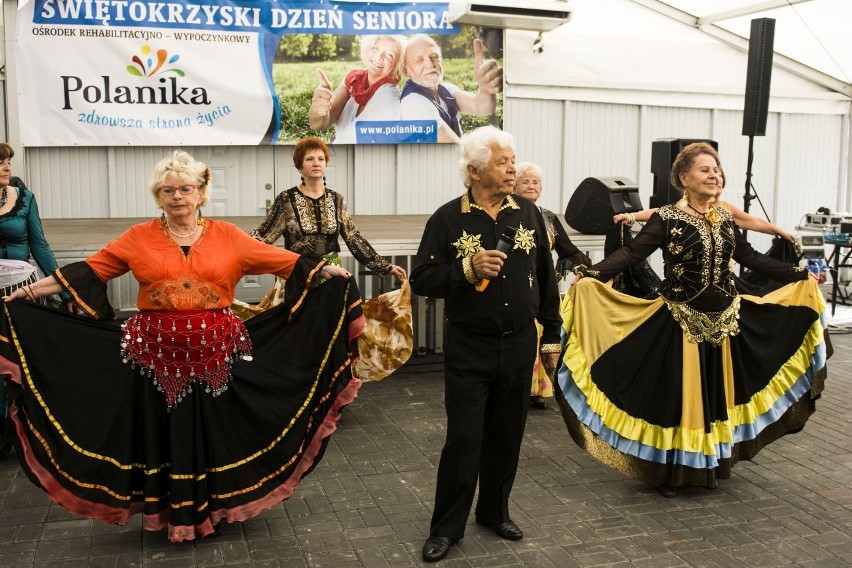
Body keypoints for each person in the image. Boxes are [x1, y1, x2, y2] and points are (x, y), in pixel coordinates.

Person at [0, 150, 362, 542]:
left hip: (216, 357)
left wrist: (325, 269)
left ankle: (216, 508)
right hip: (153, 360)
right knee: (162, 434)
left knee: (212, 434)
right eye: (167, 190)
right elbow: (90, 269)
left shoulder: (228, 236)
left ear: (201, 193)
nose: (177, 197)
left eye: (185, 189)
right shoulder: (138, 237)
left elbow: (283, 260)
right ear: (158, 197)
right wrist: (29, 291)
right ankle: (167, 512)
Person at [558, 142, 827, 499]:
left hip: (725, 323)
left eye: (717, 170)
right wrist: (591, 272)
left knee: (714, 397)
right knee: (678, 400)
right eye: (705, 170)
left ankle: (709, 463)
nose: (714, 175)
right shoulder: (667, 218)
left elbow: (748, 257)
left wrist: (797, 275)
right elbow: (633, 253)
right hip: (680, 323)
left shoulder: (724, 217)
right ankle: (670, 471)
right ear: (684, 178)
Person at [409, 126, 561, 562]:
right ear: (475, 171)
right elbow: (422, 278)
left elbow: (547, 280)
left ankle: (494, 513)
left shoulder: (528, 213)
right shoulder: (447, 218)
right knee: (464, 438)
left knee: (507, 435)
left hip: (518, 345)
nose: (512, 168)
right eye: (502, 162)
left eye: (513, 160)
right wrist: (467, 268)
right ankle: (446, 528)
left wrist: (550, 335)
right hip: (470, 347)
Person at [0, 142, 73, 458]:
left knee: (21, 361)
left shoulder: (25, 199)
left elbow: (40, 247)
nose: (7, 167)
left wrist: (66, 289)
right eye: (1, 162)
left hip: (21, 291)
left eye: (8, 162)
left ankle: (26, 431)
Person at [513, 161, 591, 410]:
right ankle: (520, 389)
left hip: (544, 291)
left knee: (544, 339)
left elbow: (568, 249)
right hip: (519, 291)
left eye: (535, 182)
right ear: (513, 187)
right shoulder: (510, 214)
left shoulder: (548, 217)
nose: (531, 186)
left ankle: (538, 391)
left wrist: (589, 271)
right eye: (525, 181)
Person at [613, 165, 796, 242]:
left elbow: (754, 222)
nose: (716, 181)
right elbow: (660, 212)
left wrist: (781, 232)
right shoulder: (685, 207)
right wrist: (631, 216)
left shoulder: (724, 209)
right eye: (709, 175)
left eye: (719, 177)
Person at [400, 36, 503, 144]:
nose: (430, 64)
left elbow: (482, 107)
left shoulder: (445, 88)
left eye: (434, 56)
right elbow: (451, 148)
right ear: (406, 71)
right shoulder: (413, 103)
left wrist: (486, 90)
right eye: (419, 60)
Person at [308, 35, 407, 144]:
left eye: (390, 55)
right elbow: (319, 125)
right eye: (376, 48)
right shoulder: (355, 79)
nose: (379, 56)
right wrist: (318, 109)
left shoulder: (388, 95)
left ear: (397, 65)